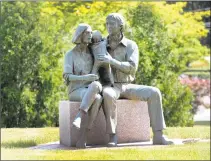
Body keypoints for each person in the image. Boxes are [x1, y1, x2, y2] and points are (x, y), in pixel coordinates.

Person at [97, 13, 174, 147]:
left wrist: (112, 61)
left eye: (112, 24)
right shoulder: (101, 45)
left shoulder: (131, 46)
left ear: (120, 26)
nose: (109, 26)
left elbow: (132, 68)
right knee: (108, 94)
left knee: (154, 92)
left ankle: (158, 135)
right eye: (107, 23)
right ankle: (112, 136)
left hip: (127, 85)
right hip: (110, 86)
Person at [63, 23, 103, 149]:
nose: (90, 35)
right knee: (97, 99)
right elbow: (67, 76)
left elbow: (103, 41)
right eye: (87, 33)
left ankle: (80, 117)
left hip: (91, 89)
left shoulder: (92, 55)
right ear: (80, 35)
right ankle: (83, 136)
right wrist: (86, 78)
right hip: (76, 90)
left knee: (96, 88)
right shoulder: (70, 55)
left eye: (91, 33)